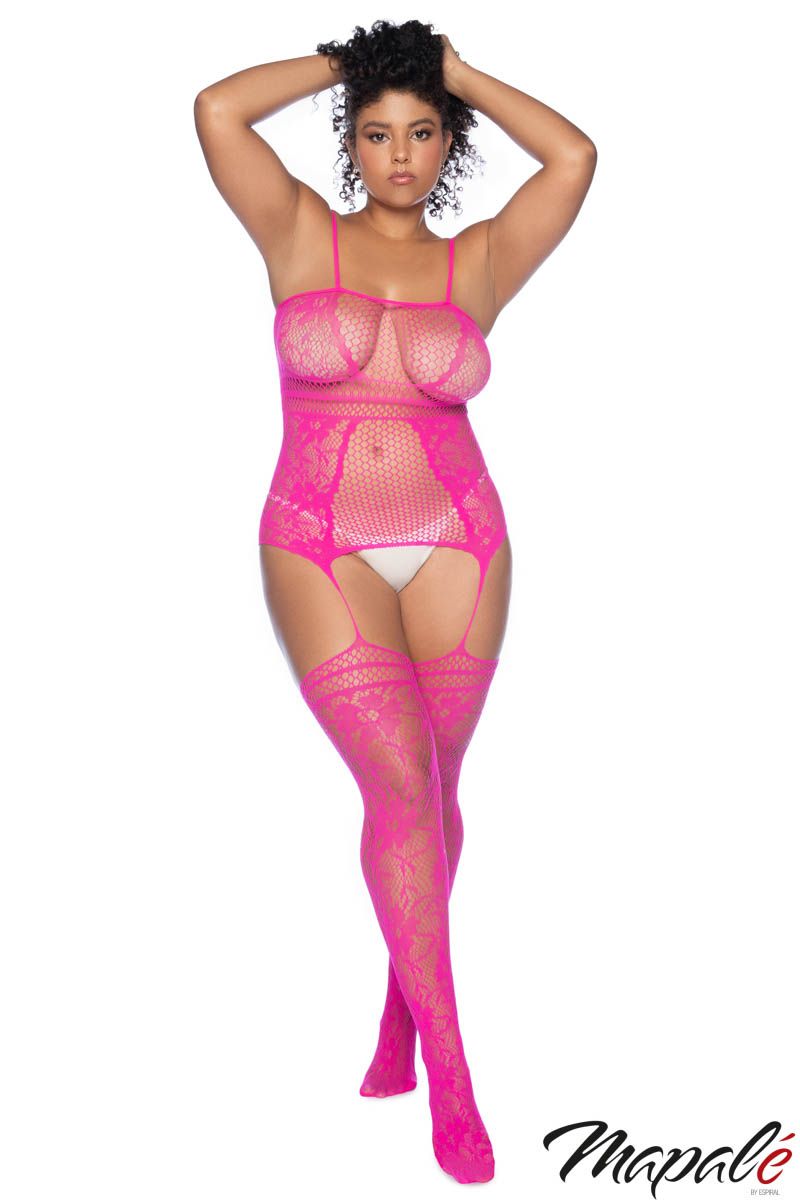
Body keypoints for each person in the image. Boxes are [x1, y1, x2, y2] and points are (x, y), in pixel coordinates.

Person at [194, 18, 596, 1185]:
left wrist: (454, 72)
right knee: (400, 785)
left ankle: (395, 1018)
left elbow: (572, 157)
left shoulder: (479, 262)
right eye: (377, 133)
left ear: (448, 143)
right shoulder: (293, 230)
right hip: (320, 542)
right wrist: (359, 60)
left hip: (461, 539)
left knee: (436, 790)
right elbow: (216, 109)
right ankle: (453, 1078)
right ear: (350, 142)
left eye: (422, 132)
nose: (401, 155)